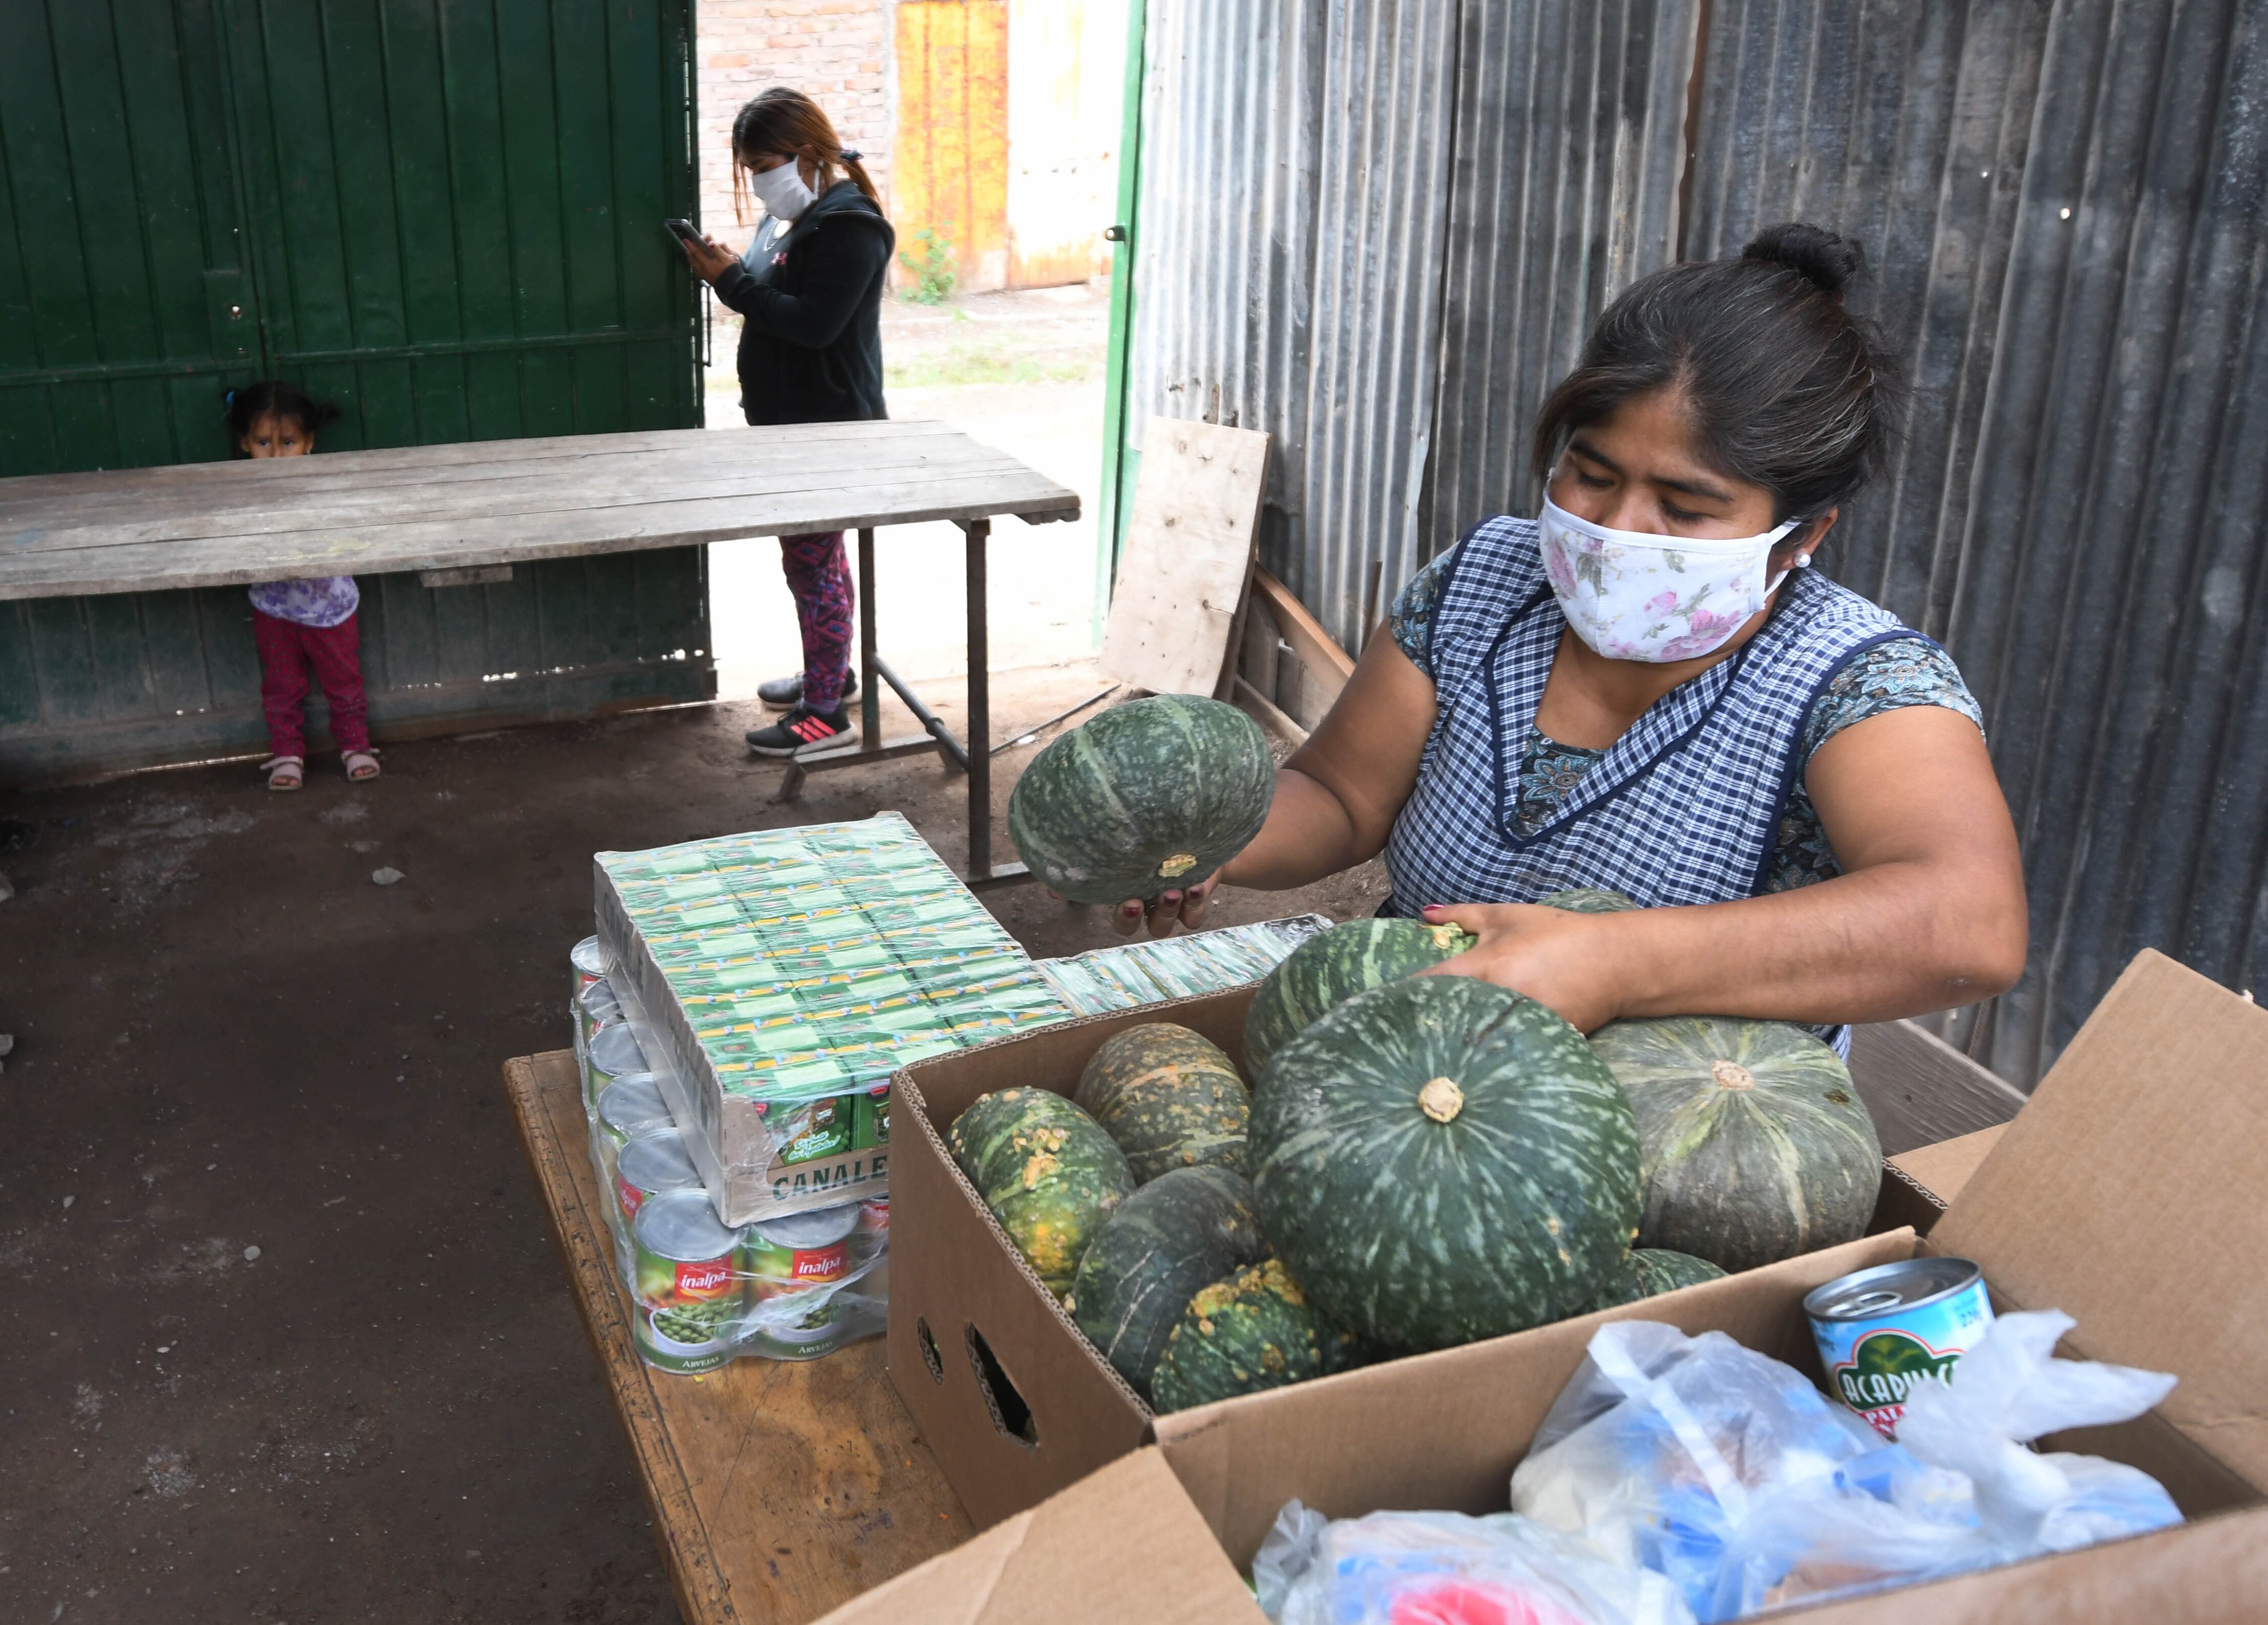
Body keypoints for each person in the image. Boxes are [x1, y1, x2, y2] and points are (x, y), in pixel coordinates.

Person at [1120, 224, 2027, 1039]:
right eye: (1591, 475)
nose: (1620, 529)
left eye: (1684, 508)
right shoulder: (1485, 582)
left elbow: (1969, 924)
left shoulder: (1859, 685)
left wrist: (1614, 961)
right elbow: (1344, 797)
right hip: (1403, 1070)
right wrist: (1216, 832)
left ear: (1803, 535)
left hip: (1668, 1161)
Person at [676, 86, 894, 758]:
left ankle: (824, 715)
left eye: (764, 163)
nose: (757, 179)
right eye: (749, 168)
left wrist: (730, 282)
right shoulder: (790, 219)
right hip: (789, 425)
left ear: (806, 154)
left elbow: (813, 323)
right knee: (814, 559)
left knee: (812, 563)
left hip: (828, 427)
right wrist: (735, 269)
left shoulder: (849, 226)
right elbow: (776, 292)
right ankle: (834, 673)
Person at [227, 380, 380, 791]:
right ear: (244, 443)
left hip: (331, 609)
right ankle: (287, 753)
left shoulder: (327, 487)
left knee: (343, 683)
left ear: (309, 442)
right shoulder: (238, 494)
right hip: (274, 609)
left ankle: (355, 746)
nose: (276, 455)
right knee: (281, 685)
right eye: (263, 442)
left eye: (288, 442)